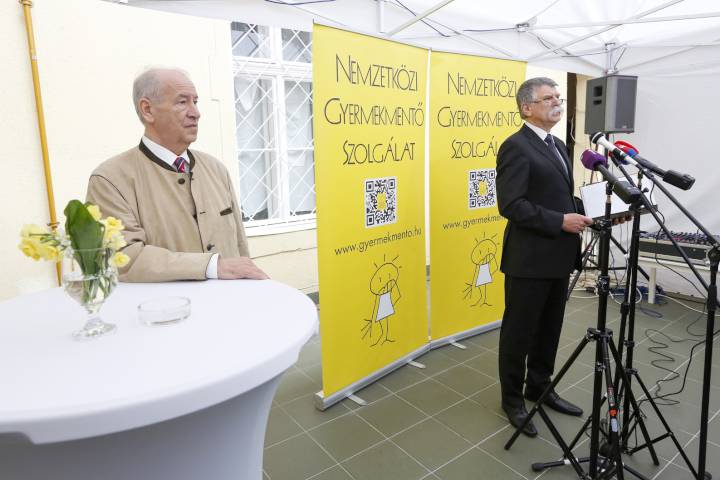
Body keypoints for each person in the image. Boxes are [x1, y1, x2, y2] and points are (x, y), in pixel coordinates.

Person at [87, 67, 268, 282]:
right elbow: (124, 258)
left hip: (228, 300)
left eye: (195, 102)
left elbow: (239, 247)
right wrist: (211, 266)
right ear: (147, 110)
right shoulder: (110, 180)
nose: (196, 112)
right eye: (182, 102)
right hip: (162, 304)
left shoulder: (216, 169)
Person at [496, 77, 592, 437]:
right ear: (527, 108)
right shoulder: (515, 147)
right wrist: (559, 221)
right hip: (528, 260)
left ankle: (539, 386)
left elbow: (559, 197)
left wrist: (592, 211)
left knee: (549, 330)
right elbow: (511, 205)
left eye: (558, 97)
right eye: (548, 98)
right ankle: (512, 400)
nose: (557, 102)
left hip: (558, 257)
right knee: (519, 333)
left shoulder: (556, 145)